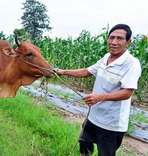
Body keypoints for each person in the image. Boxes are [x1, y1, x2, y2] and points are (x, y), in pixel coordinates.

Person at [57, 24, 141, 156]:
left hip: (111, 123)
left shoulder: (131, 64)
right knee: (84, 144)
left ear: (128, 42)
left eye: (119, 38)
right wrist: (62, 71)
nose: (114, 42)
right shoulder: (106, 58)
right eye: (111, 37)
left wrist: (99, 97)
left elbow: (127, 92)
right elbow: (86, 71)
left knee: (105, 153)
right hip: (94, 116)